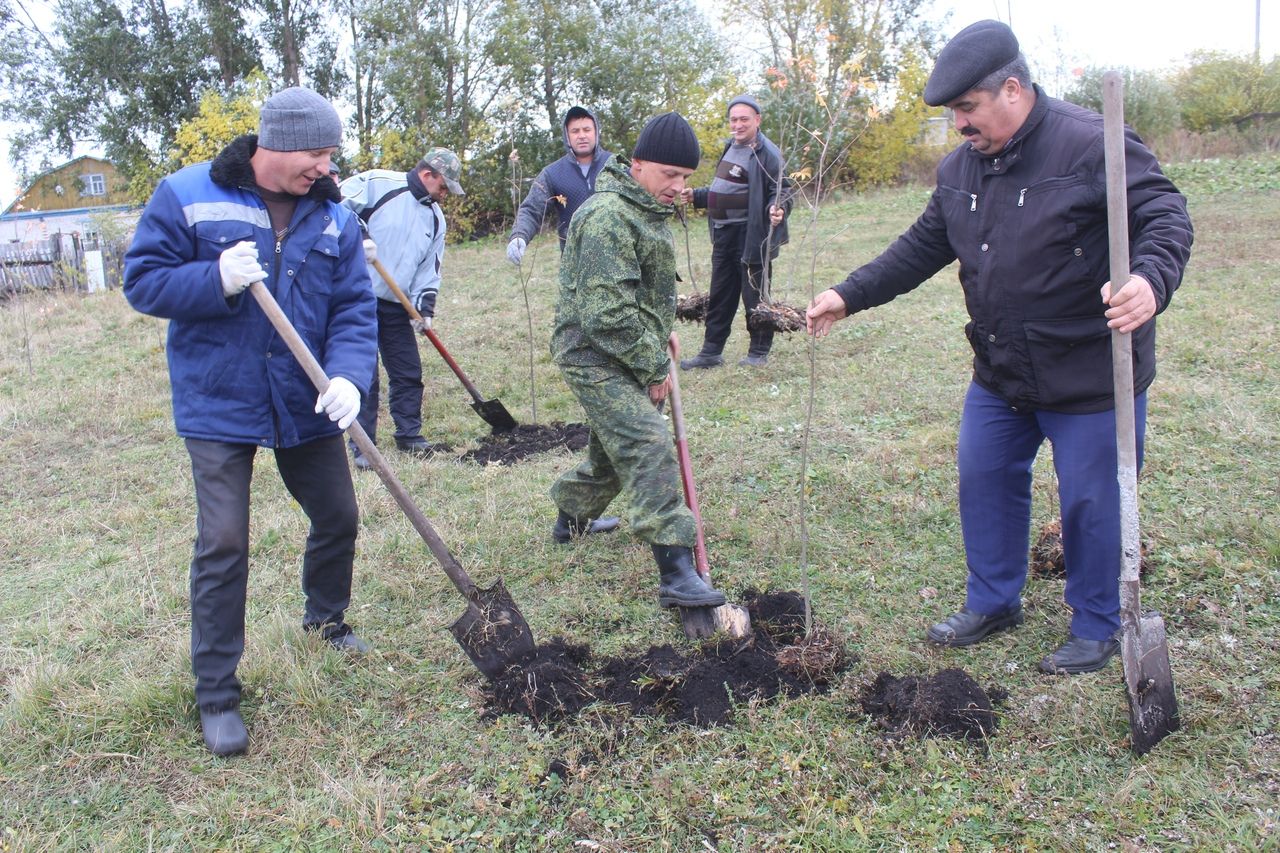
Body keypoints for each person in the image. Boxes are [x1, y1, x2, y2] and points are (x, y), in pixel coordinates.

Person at [806, 21, 1193, 675]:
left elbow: (1163, 212)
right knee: (983, 475)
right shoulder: (960, 168)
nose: (958, 124)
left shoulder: (1088, 143)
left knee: (1091, 500)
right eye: (953, 111)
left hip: (1089, 370)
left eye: (967, 108)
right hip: (1002, 370)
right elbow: (923, 245)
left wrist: (1148, 280)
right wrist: (849, 294)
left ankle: (1097, 623)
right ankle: (993, 601)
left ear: (1012, 89)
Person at [123, 87, 379, 756]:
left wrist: (350, 375)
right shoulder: (187, 195)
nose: (326, 167)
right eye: (317, 154)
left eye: (330, 154)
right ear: (278, 144)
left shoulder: (335, 218)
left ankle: (326, 620)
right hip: (219, 399)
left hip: (306, 395)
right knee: (224, 540)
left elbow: (353, 308)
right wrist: (213, 279)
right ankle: (216, 692)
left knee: (338, 516)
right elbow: (143, 282)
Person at [549, 111, 727, 610]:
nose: (678, 187)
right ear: (640, 164)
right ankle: (676, 571)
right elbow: (605, 314)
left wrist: (659, 330)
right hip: (592, 353)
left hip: (627, 343)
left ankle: (572, 516)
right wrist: (651, 366)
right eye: (670, 175)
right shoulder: (608, 216)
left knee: (615, 446)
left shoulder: (644, 209)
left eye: (686, 178)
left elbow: (637, 291)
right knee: (647, 443)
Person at [339, 149, 463, 468]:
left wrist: (425, 309)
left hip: (396, 305)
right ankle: (363, 447)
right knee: (365, 375)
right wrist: (360, 235)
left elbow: (429, 269)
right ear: (427, 175)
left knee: (408, 372)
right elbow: (335, 203)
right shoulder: (379, 184)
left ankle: (409, 436)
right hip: (357, 296)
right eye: (444, 186)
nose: (445, 194)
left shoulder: (436, 219)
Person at [679, 94, 791, 369]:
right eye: (734, 119)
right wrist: (698, 196)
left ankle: (759, 352)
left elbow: (783, 189)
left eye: (744, 119)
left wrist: (778, 207)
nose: (738, 125)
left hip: (751, 234)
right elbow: (725, 189)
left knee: (755, 295)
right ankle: (710, 352)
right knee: (721, 294)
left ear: (757, 120)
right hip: (723, 234)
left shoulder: (768, 153)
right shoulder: (730, 146)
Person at [506, 105, 612, 264]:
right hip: (575, 267)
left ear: (596, 132)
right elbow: (531, 210)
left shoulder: (616, 166)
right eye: (575, 131)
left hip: (618, 262)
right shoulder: (552, 174)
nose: (582, 135)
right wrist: (519, 236)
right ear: (567, 136)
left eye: (587, 129)